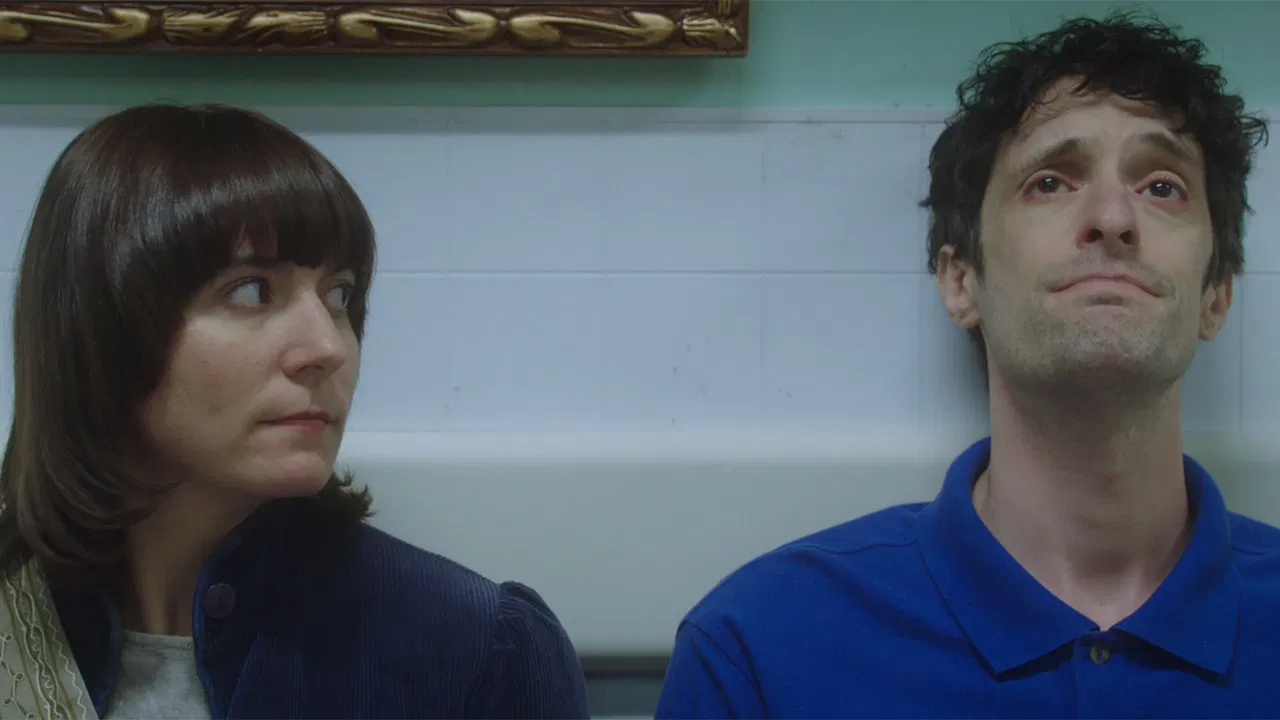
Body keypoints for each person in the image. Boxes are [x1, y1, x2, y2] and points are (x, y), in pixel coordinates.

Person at [655, 10, 1279, 718]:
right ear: (961, 281)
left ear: (1216, 293)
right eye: (1051, 181)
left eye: (1161, 186)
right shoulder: (761, 649)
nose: (1112, 217)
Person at [0, 104, 590, 719]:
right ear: (99, 332)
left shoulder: (476, 654)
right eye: (252, 291)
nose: (328, 347)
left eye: (340, 295)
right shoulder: (15, 620)